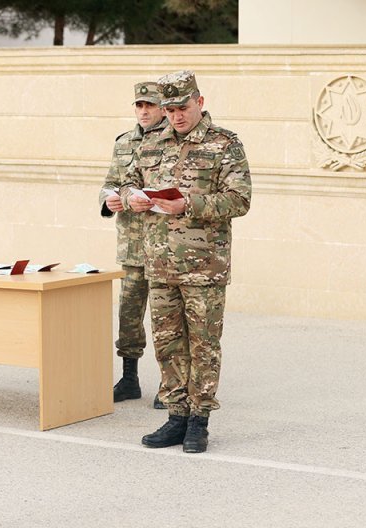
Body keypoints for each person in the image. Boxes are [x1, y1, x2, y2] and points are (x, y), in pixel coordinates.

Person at [120, 70, 251, 453]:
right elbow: (127, 181)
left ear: (200, 102)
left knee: (203, 344)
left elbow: (240, 200)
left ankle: (199, 421)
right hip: (158, 264)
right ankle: (176, 416)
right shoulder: (150, 144)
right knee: (168, 343)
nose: (176, 116)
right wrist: (132, 198)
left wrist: (188, 204)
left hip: (204, 267)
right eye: (171, 109)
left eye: (183, 107)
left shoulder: (224, 144)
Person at [99, 81, 168, 408]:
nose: (143, 111)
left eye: (149, 106)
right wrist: (108, 199)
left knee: (164, 318)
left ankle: (170, 385)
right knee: (128, 315)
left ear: (162, 108)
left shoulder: (173, 142)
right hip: (131, 247)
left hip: (164, 246)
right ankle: (130, 379)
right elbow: (110, 183)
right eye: (139, 105)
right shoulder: (124, 142)